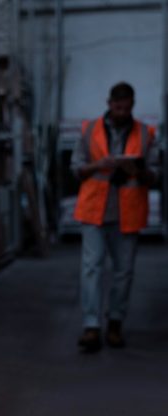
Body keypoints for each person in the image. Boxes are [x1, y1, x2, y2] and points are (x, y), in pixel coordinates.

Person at [71, 82, 158, 353]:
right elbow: (75, 168)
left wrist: (138, 170)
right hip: (94, 210)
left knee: (124, 272)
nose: (122, 111)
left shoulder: (146, 133)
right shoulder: (88, 130)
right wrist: (98, 165)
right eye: (117, 107)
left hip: (127, 212)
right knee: (92, 268)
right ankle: (92, 326)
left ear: (132, 104)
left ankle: (115, 323)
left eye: (127, 107)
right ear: (109, 103)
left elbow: (156, 172)